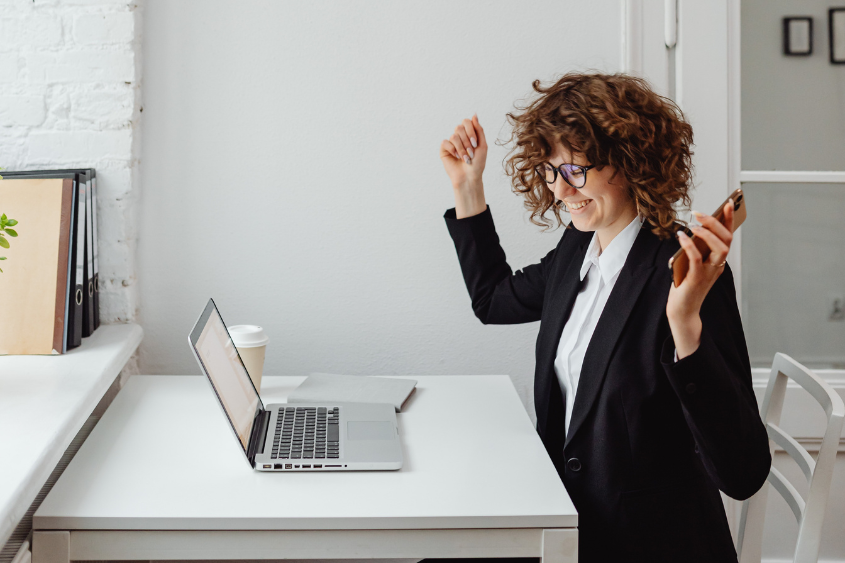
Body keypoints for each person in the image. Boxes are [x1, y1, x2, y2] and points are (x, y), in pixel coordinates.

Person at [439, 73, 771, 563]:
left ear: (630, 161)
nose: (560, 190)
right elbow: (493, 300)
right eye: (551, 172)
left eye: (574, 170)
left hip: (647, 544)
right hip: (565, 524)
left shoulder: (689, 275)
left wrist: (684, 325)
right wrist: (468, 187)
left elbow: (741, 472)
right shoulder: (578, 248)